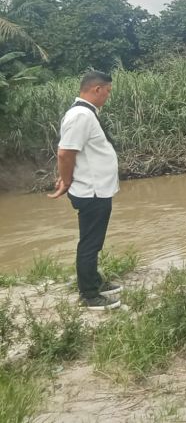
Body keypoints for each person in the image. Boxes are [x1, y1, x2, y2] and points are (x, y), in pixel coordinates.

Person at [48, 71, 122, 310]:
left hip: (97, 189)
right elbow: (65, 153)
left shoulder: (86, 113)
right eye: (107, 91)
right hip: (91, 191)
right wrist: (66, 180)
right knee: (90, 243)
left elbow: (75, 153)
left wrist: (66, 176)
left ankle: (94, 281)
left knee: (93, 241)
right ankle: (90, 295)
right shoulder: (80, 115)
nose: (108, 96)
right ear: (97, 89)